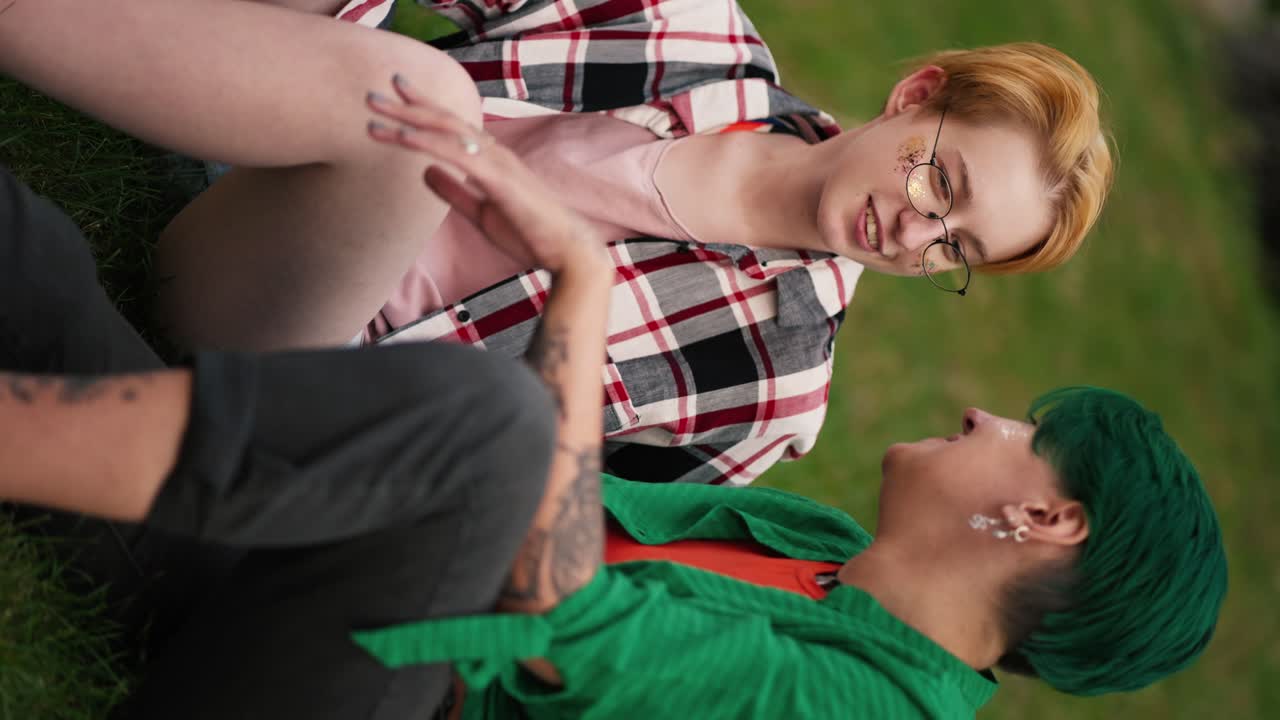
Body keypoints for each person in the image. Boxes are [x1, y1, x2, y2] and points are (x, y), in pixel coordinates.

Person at [4, 90, 1224, 719]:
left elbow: (550, 613)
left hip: (372, 690)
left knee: (499, 431)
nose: (984, 421)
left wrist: (578, 278)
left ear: (1044, 519)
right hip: (314, 599)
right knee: (34, 258)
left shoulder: (865, 706)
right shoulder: (817, 551)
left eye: (1023, 434)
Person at [0, 0, 1115, 486]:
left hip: (286, 359)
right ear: (915, 94)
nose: (913, 230)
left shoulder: (774, 389)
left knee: (419, 104)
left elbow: (543, 518)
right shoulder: (688, 28)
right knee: (402, 85)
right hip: (275, 134)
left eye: (952, 245)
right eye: (940, 178)